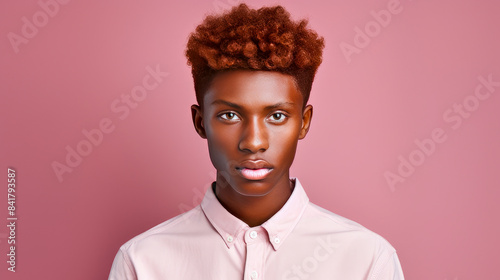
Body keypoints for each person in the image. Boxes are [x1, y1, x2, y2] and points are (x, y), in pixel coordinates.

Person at [108, 3, 404, 279]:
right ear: (201, 122)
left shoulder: (367, 260)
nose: (253, 142)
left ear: (304, 122)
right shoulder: (141, 262)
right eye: (229, 116)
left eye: (276, 116)